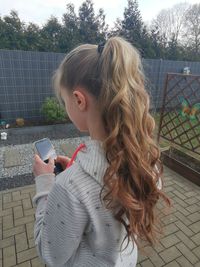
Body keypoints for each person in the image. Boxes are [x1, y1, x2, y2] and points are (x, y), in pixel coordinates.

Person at [32, 36, 171, 267]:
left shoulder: (69, 187)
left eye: (64, 100)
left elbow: (51, 254)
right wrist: (75, 172)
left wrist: (46, 184)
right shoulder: (146, 161)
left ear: (78, 100)